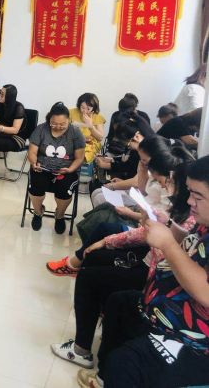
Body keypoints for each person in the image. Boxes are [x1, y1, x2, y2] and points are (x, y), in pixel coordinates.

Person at [50, 155, 195, 372]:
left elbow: (163, 256)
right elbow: (147, 231)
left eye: (172, 182)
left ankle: (82, 348)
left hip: (154, 277)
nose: (167, 185)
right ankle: (79, 273)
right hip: (149, 263)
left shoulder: (189, 220)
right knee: (96, 254)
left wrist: (147, 224)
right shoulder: (181, 211)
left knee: (93, 274)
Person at [48, 139, 192, 275]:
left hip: (144, 229)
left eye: (145, 161)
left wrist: (129, 213)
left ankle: (78, 261)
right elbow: (144, 193)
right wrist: (142, 170)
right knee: (104, 209)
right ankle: (79, 259)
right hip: (144, 223)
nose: (143, 163)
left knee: (104, 220)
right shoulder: (157, 174)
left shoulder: (170, 189)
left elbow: (150, 220)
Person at [27, 102, 86, 233]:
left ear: (69, 120)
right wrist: (34, 162)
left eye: (62, 124)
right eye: (54, 123)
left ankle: (59, 215)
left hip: (67, 170)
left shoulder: (75, 133)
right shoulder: (41, 129)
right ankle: (38, 212)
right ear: (49, 119)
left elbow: (79, 158)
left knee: (64, 190)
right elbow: (32, 152)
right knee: (36, 186)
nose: (58, 127)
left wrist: (71, 169)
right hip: (42, 167)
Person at [69, 93, 106, 163]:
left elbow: (100, 138)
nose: (84, 111)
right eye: (82, 107)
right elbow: (64, 128)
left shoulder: (97, 116)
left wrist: (90, 126)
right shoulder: (71, 112)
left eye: (88, 108)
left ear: (94, 108)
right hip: (73, 140)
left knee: (84, 151)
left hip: (90, 143)